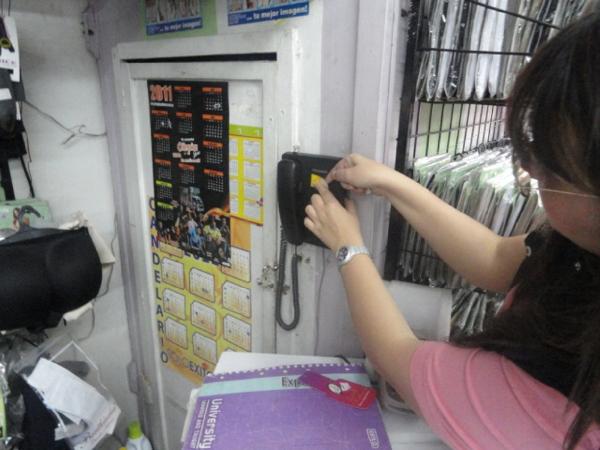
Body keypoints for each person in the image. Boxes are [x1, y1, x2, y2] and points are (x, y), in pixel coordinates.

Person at [305, 11, 600, 450]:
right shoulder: (577, 249)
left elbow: (399, 359)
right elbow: (497, 259)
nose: (535, 174)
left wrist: (348, 246)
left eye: (552, 169)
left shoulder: (551, 383)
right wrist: (391, 182)